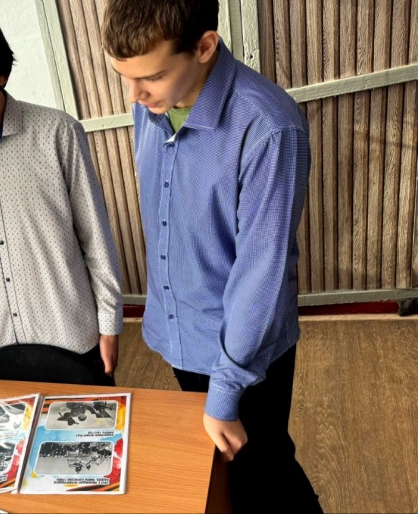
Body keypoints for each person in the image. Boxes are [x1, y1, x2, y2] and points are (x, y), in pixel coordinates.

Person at [101, 0, 322, 511]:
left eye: (151, 77)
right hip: (182, 335)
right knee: (221, 474)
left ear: (204, 47)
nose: (133, 95)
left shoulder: (269, 126)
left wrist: (225, 394)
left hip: (243, 352)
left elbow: (261, 275)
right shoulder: (149, 104)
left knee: (266, 470)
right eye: (124, 77)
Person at [0, 2, 123, 385]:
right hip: (1, 343)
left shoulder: (57, 133)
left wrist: (110, 322)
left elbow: (96, 236)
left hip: (71, 333)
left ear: (0, 73)